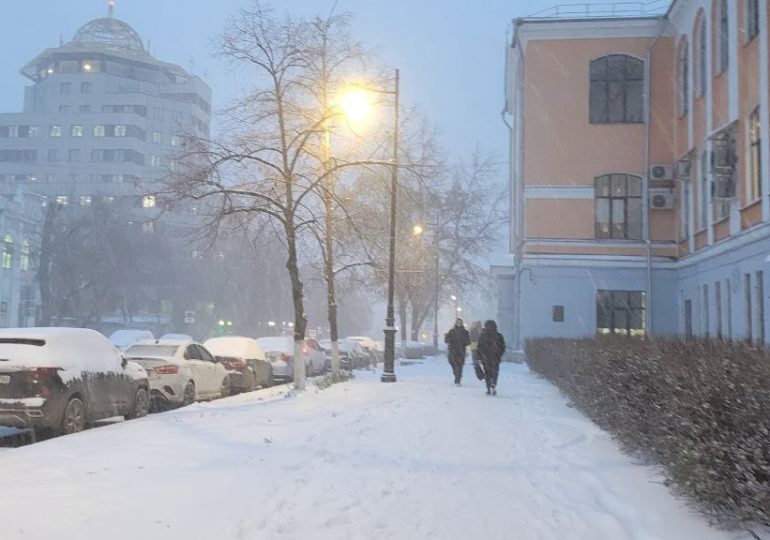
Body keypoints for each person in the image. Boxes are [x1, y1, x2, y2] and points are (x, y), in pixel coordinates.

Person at [477, 319, 505, 396]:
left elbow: (479, 347)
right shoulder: (499, 336)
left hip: (486, 357)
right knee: (495, 372)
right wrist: (499, 354)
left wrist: (479, 356)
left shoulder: (483, 336)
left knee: (487, 373)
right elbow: (502, 347)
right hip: (495, 357)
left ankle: (488, 388)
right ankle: (493, 384)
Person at [444, 318, 470, 386]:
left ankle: (458, 380)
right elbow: (447, 340)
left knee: (460, 366)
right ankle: (457, 375)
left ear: (462, 323)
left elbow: (468, 342)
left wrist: (464, 341)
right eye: (457, 322)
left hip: (461, 351)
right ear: (456, 323)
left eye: (460, 322)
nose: (458, 323)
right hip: (453, 351)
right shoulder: (451, 331)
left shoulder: (465, 332)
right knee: (453, 364)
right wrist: (448, 338)